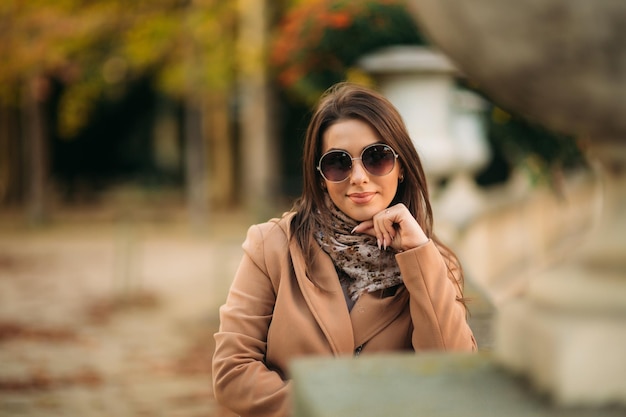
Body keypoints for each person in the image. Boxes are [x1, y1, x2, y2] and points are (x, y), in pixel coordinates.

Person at [212, 82, 477, 417]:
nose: (358, 177)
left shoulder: (432, 262)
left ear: (402, 168)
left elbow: (454, 376)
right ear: (321, 176)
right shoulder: (273, 246)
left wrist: (418, 254)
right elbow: (232, 372)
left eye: (377, 158)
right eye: (338, 163)